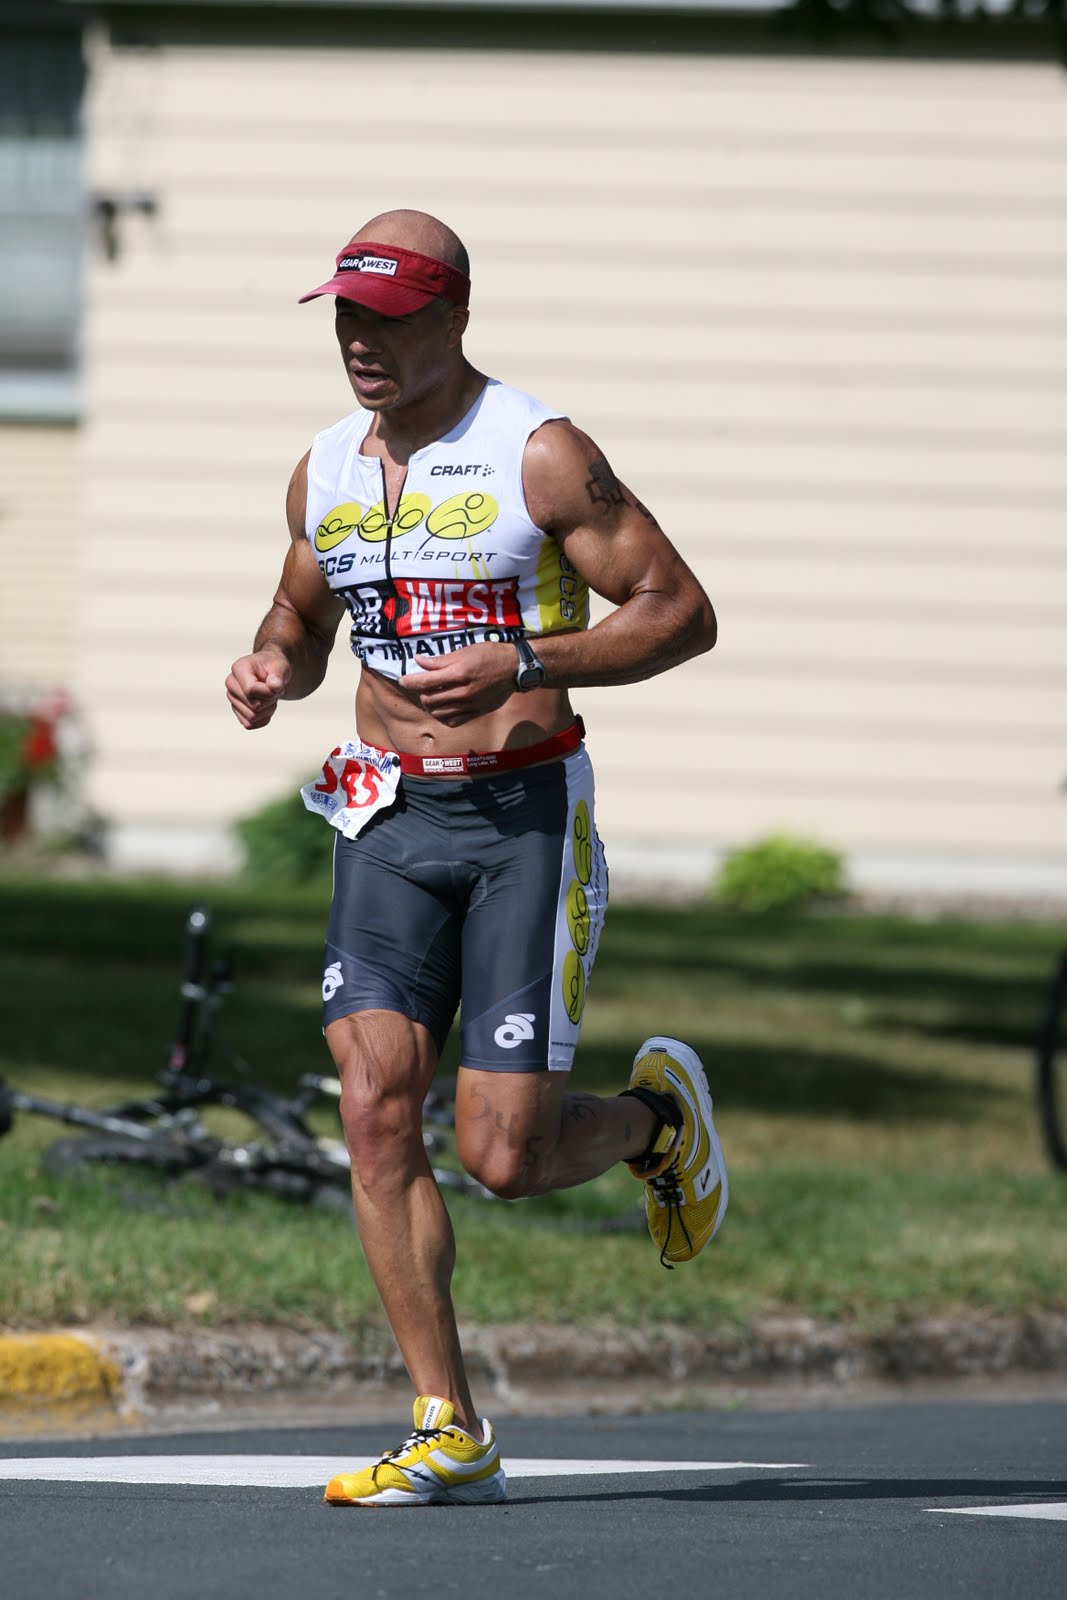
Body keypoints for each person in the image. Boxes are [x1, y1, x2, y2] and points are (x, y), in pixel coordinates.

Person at [225, 209, 728, 1508]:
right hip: (384, 815)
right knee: (375, 1106)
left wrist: (527, 660)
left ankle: (657, 1123)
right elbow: (301, 613)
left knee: (505, 1159)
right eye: (346, 316)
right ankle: (447, 1423)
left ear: (452, 318)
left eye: (388, 319)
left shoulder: (540, 454)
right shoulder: (325, 468)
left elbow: (680, 611)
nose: (360, 342)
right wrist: (273, 664)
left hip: (522, 821)